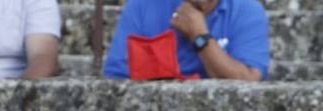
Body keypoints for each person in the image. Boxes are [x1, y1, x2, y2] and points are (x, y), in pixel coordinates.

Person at [104, 0, 270, 81]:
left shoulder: (247, 10)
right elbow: (117, 80)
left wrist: (200, 37)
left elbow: (249, 81)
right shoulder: (141, 6)